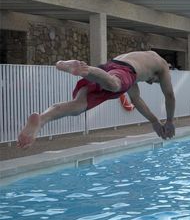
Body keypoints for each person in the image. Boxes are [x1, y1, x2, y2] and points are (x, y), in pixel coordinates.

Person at [17, 51, 176, 148]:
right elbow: (169, 95)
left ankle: (42, 119)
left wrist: (155, 122)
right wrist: (169, 121)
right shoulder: (162, 65)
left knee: (78, 106)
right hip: (116, 72)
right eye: (154, 81)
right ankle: (83, 70)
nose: (150, 82)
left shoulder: (140, 60)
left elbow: (136, 99)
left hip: (104, 69)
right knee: (115, 85)